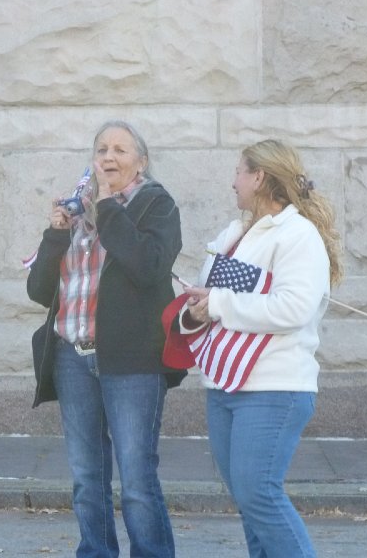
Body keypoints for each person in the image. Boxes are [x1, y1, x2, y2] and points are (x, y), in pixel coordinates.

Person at [173, 139, 343, 558]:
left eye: (238, 172)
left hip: (274, 385)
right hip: (225, 384)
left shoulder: (297, 235)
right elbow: (209, 302)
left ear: (259, 177)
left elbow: (294, 308)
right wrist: (196, 311)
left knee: (259, 495)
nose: (233, 182)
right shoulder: (234, 235)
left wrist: (219, 303)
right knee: (250, 504)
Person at [26, 120, 185, 558]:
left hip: (131, 362)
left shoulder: (156, 204)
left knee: (136, 479)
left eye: (119, 150)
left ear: (141, 161)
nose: (108, 158)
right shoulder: (78, 212)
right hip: (72, 358)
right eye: (101, 150)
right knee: (86, 479)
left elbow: (147, 266)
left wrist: (109, 208)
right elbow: (39, 291)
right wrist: (57, 233)